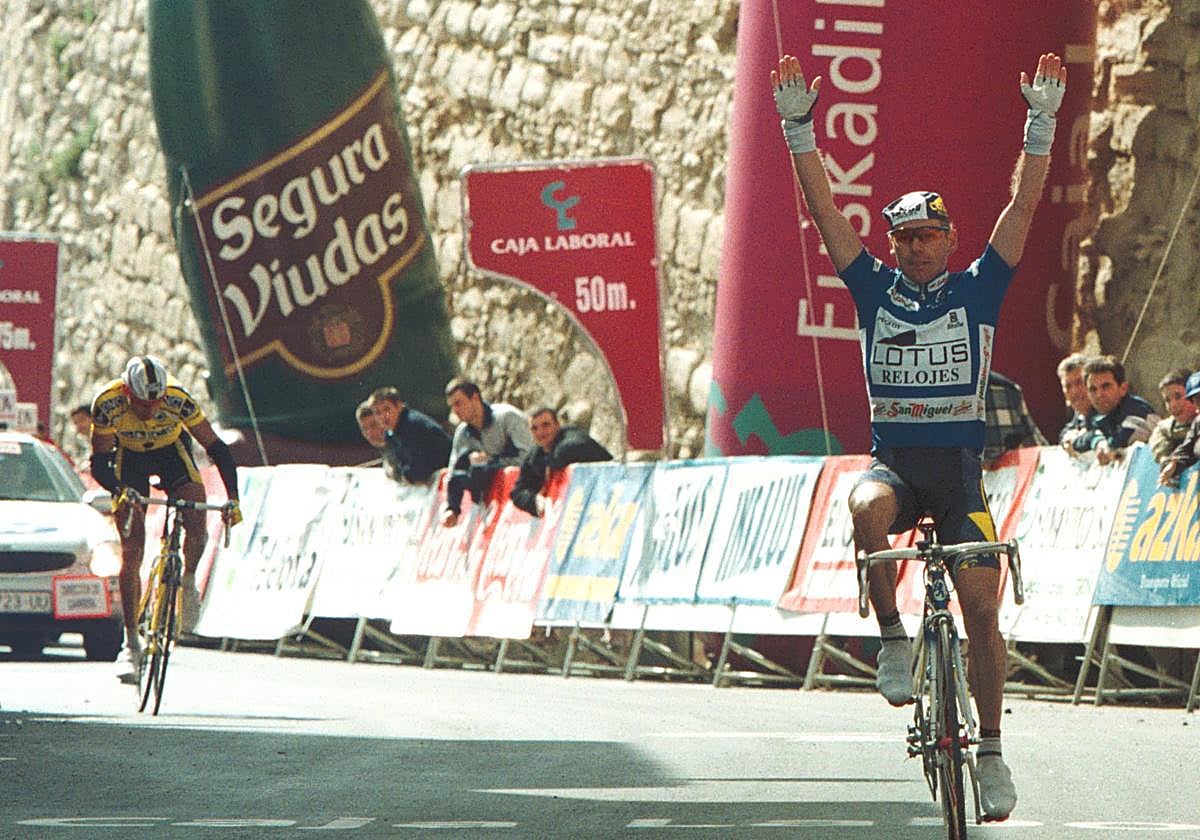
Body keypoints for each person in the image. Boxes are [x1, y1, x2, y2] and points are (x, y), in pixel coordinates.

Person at [772, 49, 1066, 820]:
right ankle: (895, 638)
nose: (913, 248)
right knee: (863, 506)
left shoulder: (979, 289)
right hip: (897, 470)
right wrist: (799, 130)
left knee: (982, 610)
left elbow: (1022, 209)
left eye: (927, 236)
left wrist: (1040, 126)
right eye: (903, 238)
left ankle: (991, 752)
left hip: (960, 479)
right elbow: (826, 215)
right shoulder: (873, 289)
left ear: (948, 238)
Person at [89, 356, 241, 683]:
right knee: (132, 549)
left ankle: (188, 580)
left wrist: (233, 498)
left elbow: (216, 448)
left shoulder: (177, 398)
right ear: (127, 394)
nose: (150, 410)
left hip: (172, 453)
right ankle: (130, 643)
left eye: (156, 403)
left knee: (197, 519)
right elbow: (99, 462)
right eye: (143, 404)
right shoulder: (107, 403)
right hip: (129, 458)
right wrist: (119, 491)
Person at [441, 378, 532, 527]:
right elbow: (453, 473)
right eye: (452, 407)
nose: (455, 411)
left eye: (459, 403)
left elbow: (529, 457)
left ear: (475, 398)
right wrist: (452, 508)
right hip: (493, 506)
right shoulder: (462, 434)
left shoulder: (507, 417)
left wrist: (492, 462)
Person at [510, 406, 613, 516]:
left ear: (557, 425)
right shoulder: (534, 456)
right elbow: (517, 492)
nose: (540, 432)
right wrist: (533, 500)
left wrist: (548, 465)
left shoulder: (573, 437)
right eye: (534, 428)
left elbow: (571, 448)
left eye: (546, 425)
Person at [1065, 355, 1159, 465]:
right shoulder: (1100, 414)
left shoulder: (1137, 410)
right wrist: (1096, 440)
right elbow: (1078, 438)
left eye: (1106, 386)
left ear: (1123, 388)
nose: (1099, 395)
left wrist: (1097, 441)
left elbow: (1118, 443)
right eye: (1093, 389)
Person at [368, 386, 451, 485]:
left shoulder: (413, 425)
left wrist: (402, 475)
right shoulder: (390, 433)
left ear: (399, 406)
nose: (383, 416)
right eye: (377, 413)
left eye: (387, 409)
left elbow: (421, 469)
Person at [982, 371, 1048, 465]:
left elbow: (1033, 443)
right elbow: (1034, 443)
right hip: (1003, 470)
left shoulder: (1008, 389)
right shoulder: (1008, 389)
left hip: (995, 471)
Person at [1159, 371, 1200, 487]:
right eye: (1197, 401)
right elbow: (1187, 449)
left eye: (1178, 397)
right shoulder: (1198, 423)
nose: (1173, 405)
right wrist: (1173, 464)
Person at [1148, 368, 1197, 465]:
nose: (1173, 405)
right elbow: (1159, 438)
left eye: (1178, 397)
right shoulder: (1168, 428)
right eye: (1167, 400)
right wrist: (1166, 460)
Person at [1056, 352, 1095, 451]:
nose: (1074, 391)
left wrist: (1076, 441)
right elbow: (1066, 431)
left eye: (1079, 382)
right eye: (1068, 386)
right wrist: (1066, 439)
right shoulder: (1079, 414)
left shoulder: (1106, 408)